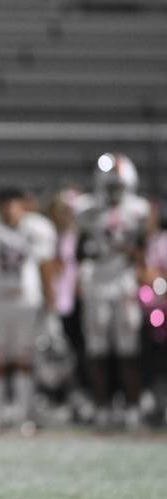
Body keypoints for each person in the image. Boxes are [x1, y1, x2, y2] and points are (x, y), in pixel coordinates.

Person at [0, 187, 56, 436]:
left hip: (27, 303)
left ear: (23, 205)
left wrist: (51, 306)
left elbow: (46, 270)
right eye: (4, 203)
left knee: (24, 360)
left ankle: (22, 416)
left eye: (13, 203)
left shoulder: (37, 229)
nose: (9, 209)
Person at [74, 153, 150, 430]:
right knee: (97, 348)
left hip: (124, 280)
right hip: (97, 280)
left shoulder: (140, 210)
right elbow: (78, 250)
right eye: (110, 187)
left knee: (129, 347)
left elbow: (144, 249)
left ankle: (132, 406)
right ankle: (102, 406)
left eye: (118, 187)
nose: (114, 193)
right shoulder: (86, 209)